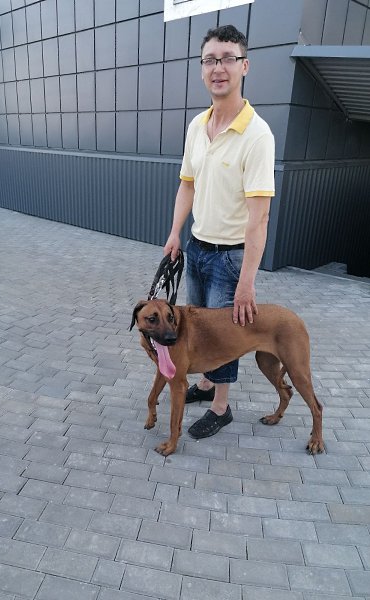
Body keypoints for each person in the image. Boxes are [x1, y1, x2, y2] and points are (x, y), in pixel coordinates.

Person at [164, 24, 275, 440]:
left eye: (228, 58)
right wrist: (175, 233)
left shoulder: (257, 135)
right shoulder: (198, 125)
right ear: (202, 68)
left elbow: (259, 217)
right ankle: (207, 383)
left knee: (226, 335)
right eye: (210, 60)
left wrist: (247, 281)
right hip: (197, 247)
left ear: (244, 66)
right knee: (199, 327)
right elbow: (187, 185)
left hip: (231, 256)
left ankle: (221, 406)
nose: (218, 68)